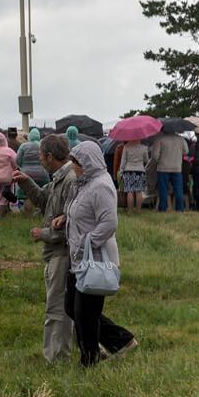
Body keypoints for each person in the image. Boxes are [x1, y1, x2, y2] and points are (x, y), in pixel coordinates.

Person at [57, 140, 125, 367]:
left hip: (93, 258)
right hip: (78, 257)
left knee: (86, 314)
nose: (73, 167)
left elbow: (109, 223)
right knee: (71, 307)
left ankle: (90, 359)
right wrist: (66, 218)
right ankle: (119, 341)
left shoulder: (101, 186)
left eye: (76, 163)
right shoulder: (84, 183)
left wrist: (88, 243)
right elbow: (81, 209)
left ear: (87, 163)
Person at [16, 135, 76, 363]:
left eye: (41, 155)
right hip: (55, 252)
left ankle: (57, 358)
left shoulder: (69, 180)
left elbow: (71, 224)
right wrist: (26, 181)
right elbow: (44, 199)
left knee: (56, 307)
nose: (40, 159)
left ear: (50, 157)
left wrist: (44, 234)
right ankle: (89, 350)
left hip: (61, 252)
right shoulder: (59, 179)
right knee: (68, 306)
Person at [150, 131, 189, 212]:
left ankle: (163, 208)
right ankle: (180, 208)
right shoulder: (181, 139)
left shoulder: (160, 139)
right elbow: (186, 151)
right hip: (177, 168)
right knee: (178, 189)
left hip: (163, 167)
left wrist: (159, 161)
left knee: (163, 189)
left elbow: (154, 155)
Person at [115, 136, 148, 212]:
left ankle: (130, 210)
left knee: (130, 191)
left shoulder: (126, 147)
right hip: (140, 170)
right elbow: (146, 160)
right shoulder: (144, 147)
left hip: (128, 170)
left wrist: (121, 170)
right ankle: (138, 210)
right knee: (139, 191)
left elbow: (123, 161)